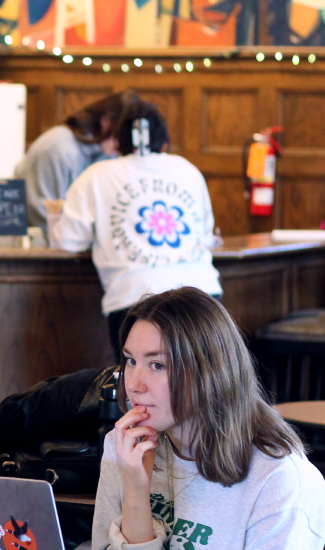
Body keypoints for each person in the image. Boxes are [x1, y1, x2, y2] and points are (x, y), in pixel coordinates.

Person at [91, 287, 325, 550]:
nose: (134, 383)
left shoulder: (282, 481)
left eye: (157, 365)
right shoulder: (126, 448)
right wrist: (136, 492)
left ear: (209, 371)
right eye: (130, 361)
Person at [49, 101, 222, 361]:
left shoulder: (96, 175)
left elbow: (67, 240)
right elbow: (206, 235)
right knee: (206, 389)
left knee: (142, 393)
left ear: (117, 143)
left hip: (134, 300)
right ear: (164, 143)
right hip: (203, 298)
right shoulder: (188, 170)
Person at [15, 90, 138, 234]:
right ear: (106, 122)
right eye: (121, 136)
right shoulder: (57, 148)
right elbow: (45, 216)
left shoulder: (107, 153)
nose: (121, 147)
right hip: (42, 247)